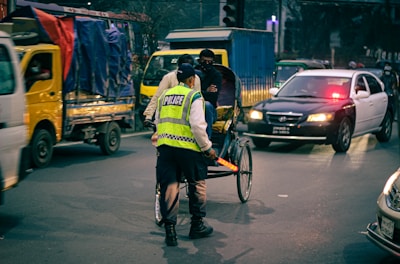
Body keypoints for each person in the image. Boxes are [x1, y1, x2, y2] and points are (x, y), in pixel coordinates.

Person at [154, 63, 217, 247]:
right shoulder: (193, 96)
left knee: (170, 187)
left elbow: (159, 121)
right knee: (197, 183)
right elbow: (198, 126)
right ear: (192, 80)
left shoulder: (164, 96)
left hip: (165, 148)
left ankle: (170, 232)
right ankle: (197, 225)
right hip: (188, 149)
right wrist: (207, 148)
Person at [143, 54, 201, 123]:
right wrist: (148, 116)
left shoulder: (196, 78)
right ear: (178, 66)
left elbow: (198, 99)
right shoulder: (169, 77)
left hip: (189, 112)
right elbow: (157, 97)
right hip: (170, 111)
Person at [195, 49, 222, 139]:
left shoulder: (216, 75)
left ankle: (206, 140)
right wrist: (205, 91)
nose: (207, 64)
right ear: (199, 61)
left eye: (209, 62)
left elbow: (212, 96)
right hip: (192, 106)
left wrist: (199, 91)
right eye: (204, 61)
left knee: (206, 105)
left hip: (208, 110)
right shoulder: (194, 72)